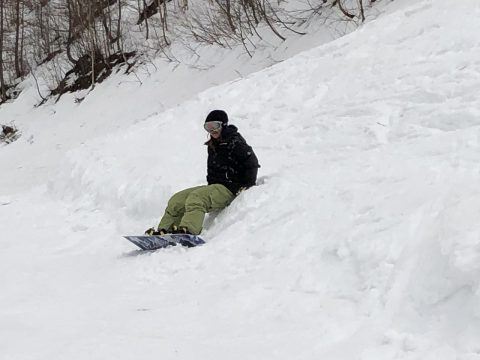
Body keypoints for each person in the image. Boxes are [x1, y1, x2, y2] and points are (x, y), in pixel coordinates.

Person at [145, 110, 260, 236]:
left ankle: (189, 230)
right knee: (176, 200)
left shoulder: (235, 142)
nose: (212, 130)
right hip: (215, 187)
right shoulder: (213, 144)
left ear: (224, 125)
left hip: (230, 188)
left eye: (215, 126)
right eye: (208, 127)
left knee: (197, 198)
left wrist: (248, 185)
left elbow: (252, 162)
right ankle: (164, 231)